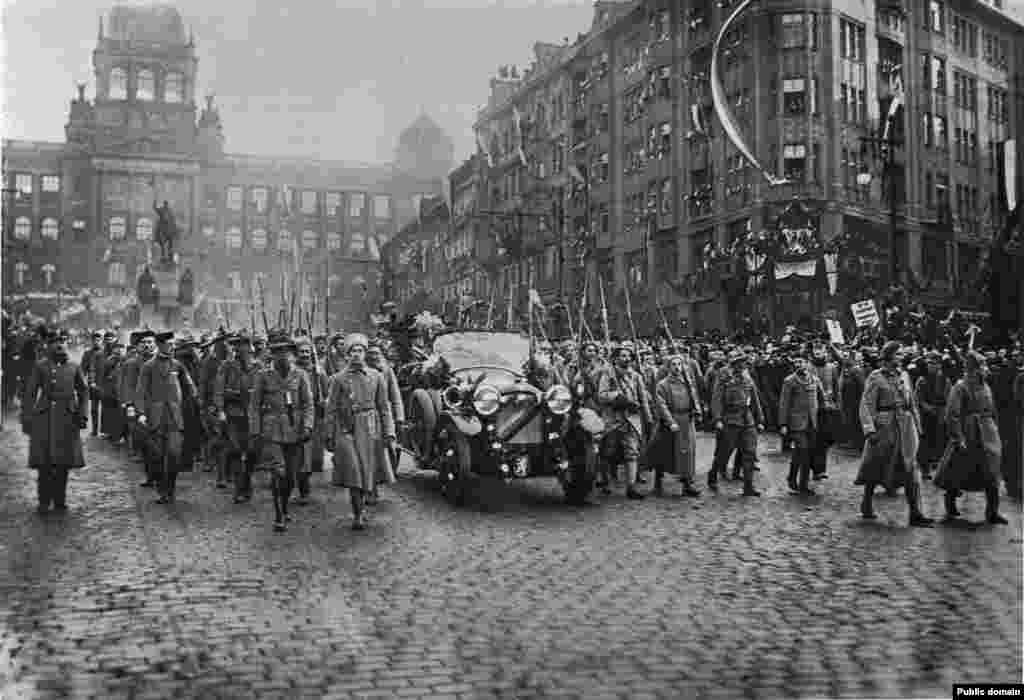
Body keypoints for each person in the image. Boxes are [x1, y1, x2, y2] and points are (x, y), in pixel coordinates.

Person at [854, 340, 933, 527]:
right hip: (885, 426)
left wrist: (917, 424)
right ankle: (866, 502)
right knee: (876, 464)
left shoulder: (904, 375)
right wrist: (869, 429)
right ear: (888, 356)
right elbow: (866, 404)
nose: (902, 357)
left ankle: (915, 513)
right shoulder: (875, 377)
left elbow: (911, 400)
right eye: (898, 354)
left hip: (905, 426)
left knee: (910, 467)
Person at [325, 333, 397, 530]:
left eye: (360, 350)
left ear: (365, 353)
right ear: (347, 355)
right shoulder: (338, 379)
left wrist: (389, 432)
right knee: (354, 471)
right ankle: (357, 514)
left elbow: (384, 407)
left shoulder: (376, 376)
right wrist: (329, 435)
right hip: (348, 429)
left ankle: (364, 504)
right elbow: (330, 409)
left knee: (369, 470)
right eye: (352, 351)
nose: (356, 354)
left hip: (372, 428)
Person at [933, 351, 1008, 524]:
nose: (986, 369)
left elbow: (992, 409)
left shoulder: (986, 386)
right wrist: (958, 438)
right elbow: (952, 414)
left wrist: (995, 429)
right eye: (982, 366)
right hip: (969, 432)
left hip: (988, 432)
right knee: (958, 468)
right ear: (973, 369)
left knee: (992, 469)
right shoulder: (960, 387)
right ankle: (950, 504)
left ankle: (992, 512)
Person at [249, 332, 314, 532]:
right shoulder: (263, 376)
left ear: (292, 354)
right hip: (272, 431)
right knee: (279, 472)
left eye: (285, 351)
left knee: (291, 478)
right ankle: (278, 516)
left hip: (295, 430)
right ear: (272, 354)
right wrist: (255, 430)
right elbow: (254, 406)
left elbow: (308, 404)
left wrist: (308, 425)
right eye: (277, 352)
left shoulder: (301, 375)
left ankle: (284, 508)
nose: (282, 356)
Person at [21, 329, 88, 514]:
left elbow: (83, 391)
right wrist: (27, 417)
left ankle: (60, 500)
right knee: (45, 463)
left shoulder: (74, 366)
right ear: (49, 345)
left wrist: (82, 414)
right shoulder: (40, 366)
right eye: (55, 342)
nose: (59, 345)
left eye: (63, 341)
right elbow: (30, 393)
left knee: (63, 463)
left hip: (67, 418)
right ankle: (44, 500)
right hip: (45, 418)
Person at [137, 331, 198, 504]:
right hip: (155, 418)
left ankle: (169, 490)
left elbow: (190, 389)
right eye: (169, 344)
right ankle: (161, 488)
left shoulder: (178, 366)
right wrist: (141, 413)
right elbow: (140, 391)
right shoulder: (148, 366)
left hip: (175, 418)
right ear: (160, 345)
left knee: (173, 454)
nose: (172, 347)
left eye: (173, 344)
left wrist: (187, 405)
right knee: (156, 456)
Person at [597, 342, 653, 500]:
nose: (626, 358)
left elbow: (643, 398)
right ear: (615, 358)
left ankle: (631, 487)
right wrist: (617, 397)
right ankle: (605, 480)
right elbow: (601, 395)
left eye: (629, 355)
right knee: (607, 451)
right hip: (613, 418)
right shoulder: (608, 374)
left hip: (631, 419)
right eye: (623, 355)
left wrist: (647, 417)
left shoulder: (636, 376)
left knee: (632, 452)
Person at [214, 333, 262, 504]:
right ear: (236, 348)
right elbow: (218, 389)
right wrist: (220, 409)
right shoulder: (226, 366)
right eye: (240, 346)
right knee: (235, 451)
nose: (244, 349)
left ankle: (247, 482)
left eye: (247, 346)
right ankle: (239, 489)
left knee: (252, 452)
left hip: (253, 415)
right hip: (233, 414)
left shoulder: (258, 367)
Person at [709, 351, 764, 496]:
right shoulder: (724, 378)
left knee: (750, 452)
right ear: (733, 364)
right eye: (739, 363)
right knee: (724, 451)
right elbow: (716, 399)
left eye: (744, 363)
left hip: (747, 419)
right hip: (730, 419)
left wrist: (760, 419)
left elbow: (755, 399)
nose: (742, 365)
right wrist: (718, 419)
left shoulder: (747, 378)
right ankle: (713, 474)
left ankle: (748, 486)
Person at [652, 354, 702, 497]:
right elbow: (661, 405)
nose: (677, 367)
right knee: (664, 452)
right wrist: (670, 422)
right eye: (673, 364)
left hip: (687, 420)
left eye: (679, 364)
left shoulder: (687, 381)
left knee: (688, 453)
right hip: (672, 422)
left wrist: (697, 410)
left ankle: (687, 484)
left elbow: (694, 397)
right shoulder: (662, 384)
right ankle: (658, 482)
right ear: (668, 367)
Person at [779, 352, 826, 495]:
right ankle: (803, 485)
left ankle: (792, 477)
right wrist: (783, 424)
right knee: (803, 451)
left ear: (807, 363)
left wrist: (824, 420)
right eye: (796, 362)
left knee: (804, 453)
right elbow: (784, 404)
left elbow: (822, 401)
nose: (798, 364)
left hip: (813, 423)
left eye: (801, 361)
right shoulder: (789, 381)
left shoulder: (815, 380)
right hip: (796, 423)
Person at [294, 337, 328, 504]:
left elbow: (328, 394)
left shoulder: (319, 372)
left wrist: (324, 402)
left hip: (317, 416)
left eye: (307, 352)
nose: (305, 355)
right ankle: (303, 488)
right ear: (297, 354)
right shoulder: (293, 372)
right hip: (299, 416)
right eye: (302, 352)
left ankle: (306, 478)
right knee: (302, 454)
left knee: (315, 455)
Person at [366, 340, 405, 480]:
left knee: (390, 448)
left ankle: (388, 473)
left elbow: (395, 396)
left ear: (381, 355)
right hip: (368, 415)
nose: (373, 357)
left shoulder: (387, 371)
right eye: (370, 353)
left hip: (386, 414)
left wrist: (399, 417)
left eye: (376, 353)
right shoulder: (361, 371)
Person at [914, 351, 950, 480]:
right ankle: (925, 469)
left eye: (934, 364)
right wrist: (927, 408)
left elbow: (948, 397)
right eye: (929, 363)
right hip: (926, 415)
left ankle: (940, 469)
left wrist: (944, 411)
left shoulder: (945, 380)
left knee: (941, 441)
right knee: (925, 443)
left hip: (940, 414)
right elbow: (918, 398)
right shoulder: (922, 380)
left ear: (939, 365)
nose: (931, 366)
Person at [82, 330, 104, 436]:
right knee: (94, 409)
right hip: (93, 385)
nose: (96, 342)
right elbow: (82, 370)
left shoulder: (106, 353)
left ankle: (105, 430)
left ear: (102, 341)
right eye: (94, 340)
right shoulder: (87, 354)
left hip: (104, 385)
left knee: (106, 409)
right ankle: (95, 430)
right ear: (91, 341)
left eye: (98, 340)